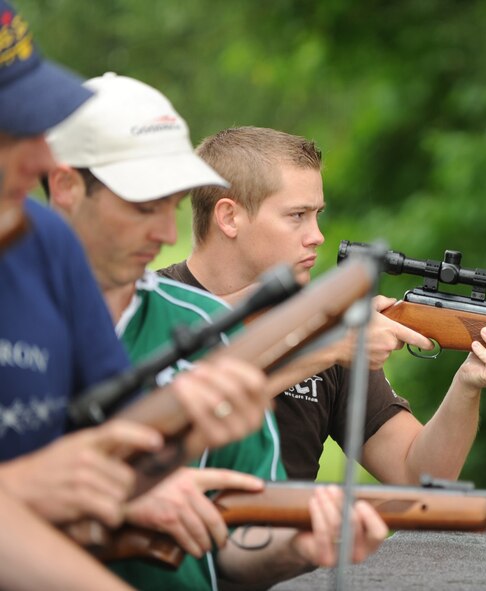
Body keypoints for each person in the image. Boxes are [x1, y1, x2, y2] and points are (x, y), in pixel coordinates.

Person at [46, 73, 387, 590]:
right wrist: (122, 495)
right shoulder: (18, 319)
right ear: (64, 186)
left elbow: (239, 544)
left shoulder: (202, 325)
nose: (166, 232)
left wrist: (300, 543)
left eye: (171, 205)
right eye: (144, 207)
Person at [0, 2, 265, 589]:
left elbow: (113, 450)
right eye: (13, 128)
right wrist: (21, 489)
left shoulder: (44, 242)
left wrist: (189, 433)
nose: (44, 158)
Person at [159, 126, 486, 485]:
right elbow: (166, 423)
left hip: (290, 561)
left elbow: (419, 476)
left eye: (317, 215)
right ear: (229, 217)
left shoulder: (331, 325)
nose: (317, 236)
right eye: (297, 216)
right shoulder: (144, 308)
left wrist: (467, 386)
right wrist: (325, 338)